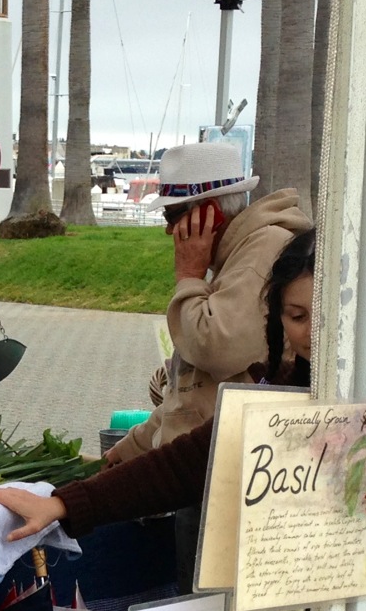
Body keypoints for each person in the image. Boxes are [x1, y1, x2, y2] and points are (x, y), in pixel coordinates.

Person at [0, 231, 366, 541]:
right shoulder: (287, 392)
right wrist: (63, 504)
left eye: (333, 314)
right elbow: (191, 463)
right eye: (298, 316)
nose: (316, 335)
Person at [104, 140, 311, 467]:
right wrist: (132, 448)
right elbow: (190, 390)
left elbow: (215, 349)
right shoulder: (240, 254)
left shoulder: (261, 252)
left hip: (220, 466)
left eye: (172, 215)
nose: (169, 229)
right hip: (199, 460)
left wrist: (188, 275)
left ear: (210, 214)